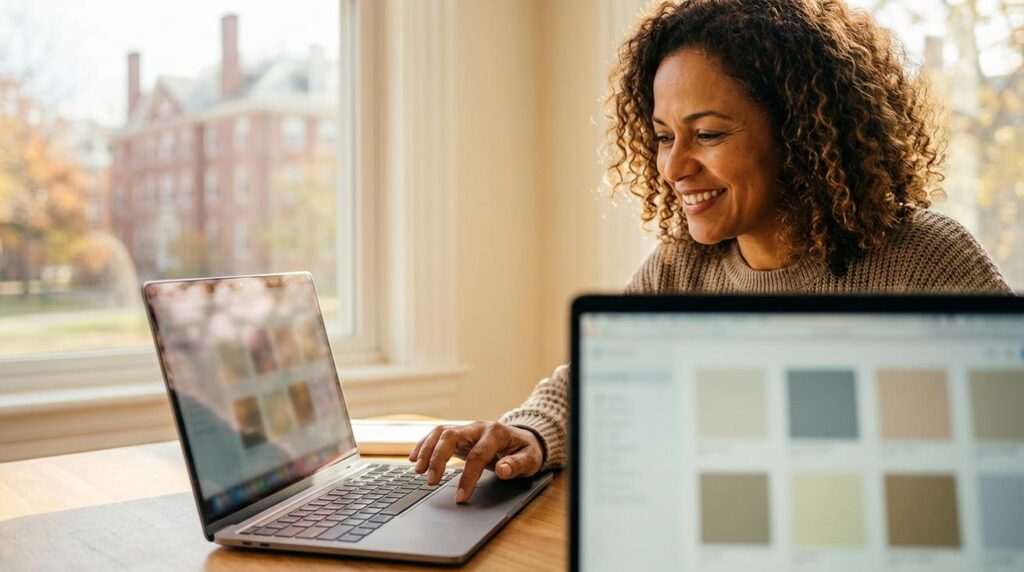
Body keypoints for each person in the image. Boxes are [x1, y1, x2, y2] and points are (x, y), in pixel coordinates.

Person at [410, 0, 1014, 503]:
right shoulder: (683, 266)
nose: (673, 166)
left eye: (707, 134)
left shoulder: (925, 259)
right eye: (663, 136)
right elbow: (598, 378)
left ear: (800, 134)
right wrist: (529, 435)